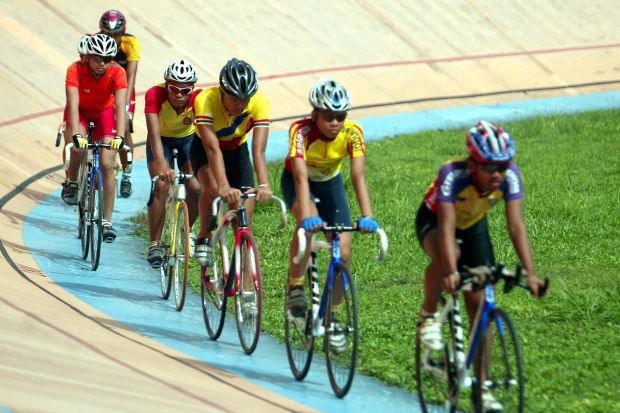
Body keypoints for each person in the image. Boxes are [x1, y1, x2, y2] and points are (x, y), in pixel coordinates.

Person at [415, 120, 545, 412]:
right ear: (473, 164)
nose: (497, 173)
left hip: (474, 226)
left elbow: (516, 226)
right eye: (489, 167)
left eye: (503, 165)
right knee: (449, 254)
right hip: (436, 222)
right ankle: (427, 317)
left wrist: (531, 274)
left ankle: (482, 388)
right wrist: (450, 271)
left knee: (479, 306)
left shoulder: (511, 176)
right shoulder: (453, 174)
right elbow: (447, 229)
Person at [281, 78, 379, 352]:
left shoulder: (353, 132)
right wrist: (306, 218)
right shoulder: (300, 131)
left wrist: (367, 215)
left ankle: (332, 316)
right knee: (308, 229)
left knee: (344, 253)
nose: (335, 122)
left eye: (340, 116)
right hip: (299, 181)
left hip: (330, 183)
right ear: (315, 114)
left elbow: (358, 175)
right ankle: (296, 286)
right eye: (328, 117)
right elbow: (300, 177)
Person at [190, 57, 272, 267]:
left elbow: (259, 150)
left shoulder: (260, 103)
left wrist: (263, 184)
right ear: (222, 92)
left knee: (243, 216)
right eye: (234, 98)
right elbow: (212, 149)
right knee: (213, 187)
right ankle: (204, 235)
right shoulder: (205, 100)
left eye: (245, 99)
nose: (240, 104)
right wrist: (224, 186)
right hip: (205, 150)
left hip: (238, 151)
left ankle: (246, 290)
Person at [62, 33, 127, 242]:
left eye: (107, 59)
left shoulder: (118, 72)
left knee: (108, 164)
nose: (102, 63)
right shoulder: (75, 70)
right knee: (78, 146)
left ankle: (107, 221)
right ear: (88, 56)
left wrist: (121, 136)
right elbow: (72, 104)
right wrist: (75, 135)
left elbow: (120, 107)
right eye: (98, 58)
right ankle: (72, 181)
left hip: (104, 115)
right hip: (80, 112)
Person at [144, 59, 202, 268]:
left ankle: (187, 228)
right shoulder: (154, 94)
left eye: (184, 90)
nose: (179, 95)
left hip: (188, 141)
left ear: (191, 90)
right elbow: (153, 134)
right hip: (162, 141)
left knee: (196, 188)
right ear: (166, 85)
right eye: (174, 89)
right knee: (161, 185)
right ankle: (155, 243)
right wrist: (163, 166)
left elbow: (206, 132)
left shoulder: (199, 99)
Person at [99, 9, 141, 198]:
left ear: (122, 33)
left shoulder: (130, 43)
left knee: (123, 128)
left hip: (124, 87)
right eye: (108, 34)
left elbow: (131, 75)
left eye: (115, 35)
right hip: (103, 88)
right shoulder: (96, 42)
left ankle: (127, 173)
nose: (111, 38)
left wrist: (124, 102)